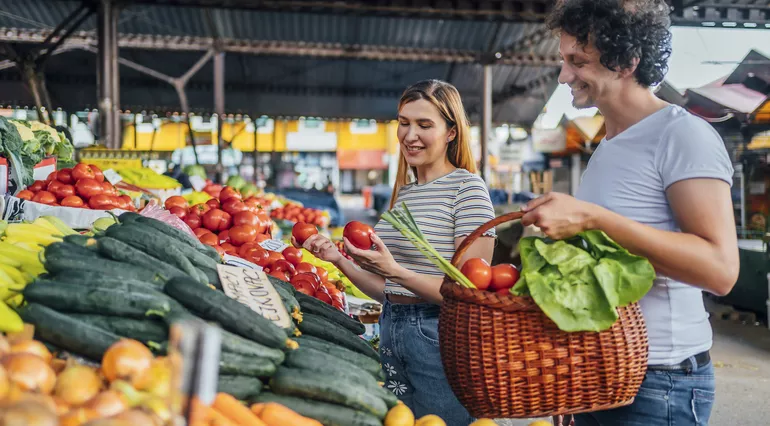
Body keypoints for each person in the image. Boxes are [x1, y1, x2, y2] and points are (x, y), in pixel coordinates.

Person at [525, 1, 739, 425]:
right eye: (564, 61)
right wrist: (572, 373)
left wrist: (594, 219)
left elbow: (721, 269)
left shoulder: (681, 135)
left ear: (627, 61)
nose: (565, 75)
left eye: (578, 61)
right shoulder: (607, 145)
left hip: (660, 383)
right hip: (601, 372)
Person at [293, 79, 496, 425]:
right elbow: (390, 290)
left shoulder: (468, 189)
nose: (409, 134)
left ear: (451, 132)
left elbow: (467, 293)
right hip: (392, 327)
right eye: (404, 122)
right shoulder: (406, 193)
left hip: (439, 335)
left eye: (424, 124)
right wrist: (339, 260)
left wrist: (396, 271)